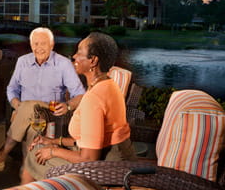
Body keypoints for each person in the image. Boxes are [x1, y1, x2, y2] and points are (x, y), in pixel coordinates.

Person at [20, 32, 137, 183]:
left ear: (93, 60)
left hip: (107, 168)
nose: (74, 56)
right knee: (40, 149)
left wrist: (52, 151)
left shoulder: (94, 98)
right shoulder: (108, 85)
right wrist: (55, 142)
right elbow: (91, 140)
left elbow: (89, 158)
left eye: (79, 52)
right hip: (114, 157)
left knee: (35, 156)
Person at [0, 27, 85, 173]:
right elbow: (11, 89)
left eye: (43, 43)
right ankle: (27, 169)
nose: (39, 48)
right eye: (35, 44)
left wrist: (68, 106)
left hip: (51, 114)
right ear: (31, 45)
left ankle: (3, 153)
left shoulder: (63, 64)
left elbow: (80, 95)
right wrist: (17, 106)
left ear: (52, 44)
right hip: (27, 115)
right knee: (31, 125)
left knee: (30, 107)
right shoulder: (23, 62)